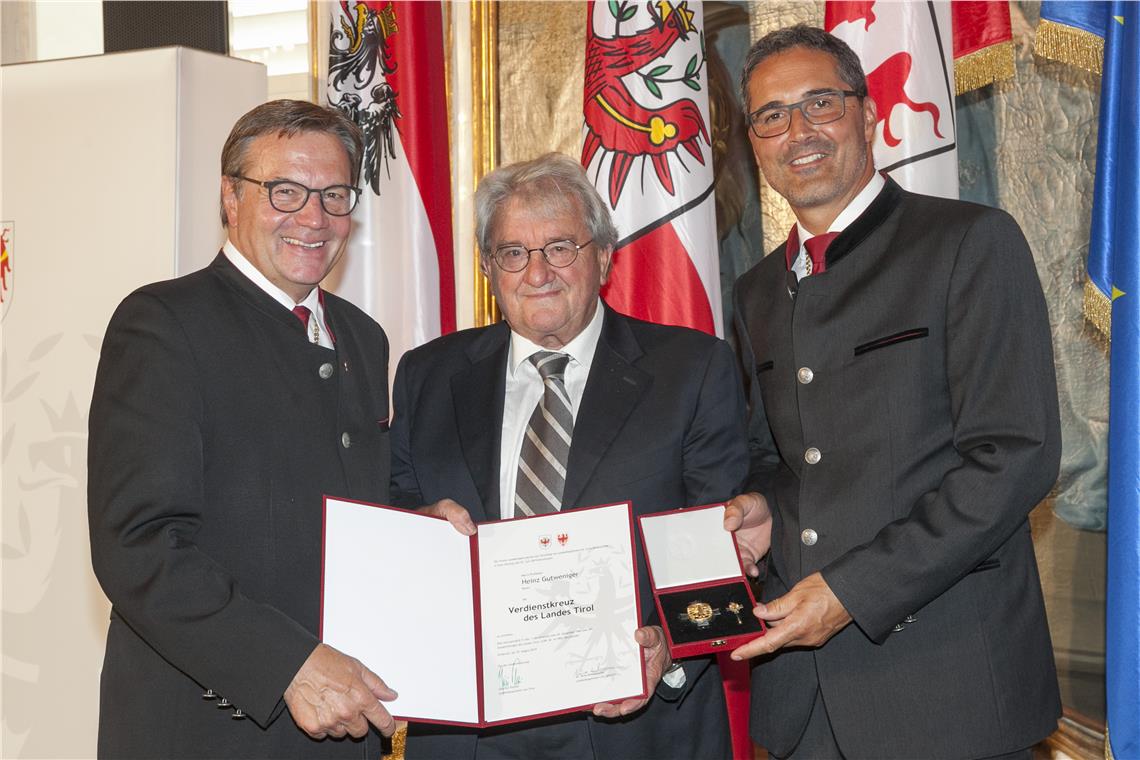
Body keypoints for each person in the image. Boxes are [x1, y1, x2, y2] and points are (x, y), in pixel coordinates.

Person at [88, 99, 473, 758]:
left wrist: (415, 529)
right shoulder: (163, 324)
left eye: (334, 195)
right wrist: (286, 663)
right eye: (285, 191)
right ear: (230, 197)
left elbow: (324, 503)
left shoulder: (362, 336)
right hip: (208, 734)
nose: (313, 218)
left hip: (345, 729)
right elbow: (139, 546)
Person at [723, 25, 1062, 759]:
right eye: (772, 116)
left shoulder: (968, 242)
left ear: (869, 114)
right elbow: (781, 457)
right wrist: (761, 506)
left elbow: (1016, 455)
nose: (798, 131)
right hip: (803, 705)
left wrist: (853, 590)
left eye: (820, 103)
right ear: (754, 142)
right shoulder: (755, 292)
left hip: (946, 691)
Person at [390, 152, 748, 759]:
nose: (537, 272)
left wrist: (668, 647)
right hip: (468, 733)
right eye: (512, 252)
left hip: (637, 728)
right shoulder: (427, 376)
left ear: (604, 256)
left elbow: (722, 544)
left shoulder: (692, 371)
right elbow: (395, 514)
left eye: (560, 248)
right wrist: (416, 531)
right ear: (488, 267)